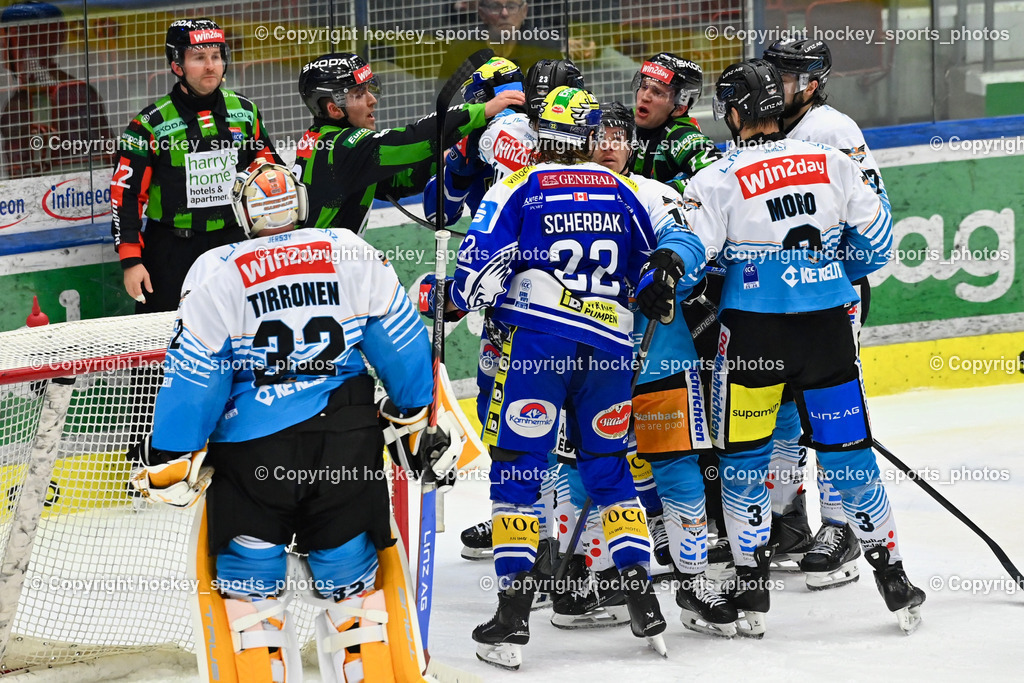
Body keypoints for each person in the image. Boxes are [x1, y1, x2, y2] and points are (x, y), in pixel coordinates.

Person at [127, 161, 461, 682]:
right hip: (345, 441)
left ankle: (262, 660)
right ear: (299, 203)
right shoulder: (349, 249)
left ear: (243, 214)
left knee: (251, 587)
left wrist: (173, 452)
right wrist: (416, 414)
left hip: (253, 451)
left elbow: (197, 374)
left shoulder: (216, 268)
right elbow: (400, 342)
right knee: (350, 580)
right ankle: (364, 663)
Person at [437, 85, 707, 669]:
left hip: (536, 348)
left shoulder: (516, 186)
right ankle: (641, 599)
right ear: (586, 135)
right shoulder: (621, 190)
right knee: (610, 470)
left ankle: (512, 615)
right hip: (609, 349)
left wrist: (452, 297)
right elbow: (654, 264)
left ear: (541, 133)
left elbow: (474, 279)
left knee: (519, 471)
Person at [680, 58, 925, 636]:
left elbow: (688, 257)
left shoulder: (716, 177)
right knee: (850, 457)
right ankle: (894, 580)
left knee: (744, 462)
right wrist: (826, 274)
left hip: (753, 338)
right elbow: (877, 243)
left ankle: (751, 591)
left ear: (734, 113)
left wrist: (713, 279)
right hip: (827, 334)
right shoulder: (833, 162)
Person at [422, 57, 585, 563]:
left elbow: (448, 207)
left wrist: (469, 142)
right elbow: (440, 206)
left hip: (537, 304)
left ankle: (544, 531)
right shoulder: (501, 137)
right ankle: (520, 518)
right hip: (521, 302)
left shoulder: (505, 132)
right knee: (504, 413)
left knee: (537, 422)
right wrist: (461, 157)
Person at [586, 100, 737, 637]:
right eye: (599, 136)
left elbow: (691, 244)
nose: (610, 146)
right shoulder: (552, 194)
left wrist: (667, 271)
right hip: (587, 359)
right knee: (588, 472)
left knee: (677, 466)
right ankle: (594, 578)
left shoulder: (653, 193)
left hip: (661, 356)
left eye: (619, 137)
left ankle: (694, 582)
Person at [762, 37, 884, 589]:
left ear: (811, 84)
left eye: (785, 76)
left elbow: (874, 218)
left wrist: (828, 277)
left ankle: (842, 527)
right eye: (770, 72)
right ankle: (788, 520)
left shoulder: (832, 130)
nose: (773, 84)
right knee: (780, 410)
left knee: (830, 412)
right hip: (776, 303)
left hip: (829, 299)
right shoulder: (765, 128)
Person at [111, 18, 281, 313]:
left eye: (216, 56)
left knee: (242, 325)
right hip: (171, 252)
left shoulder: (245, 112)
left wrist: (276, 233)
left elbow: (269, 171)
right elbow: (125, 194)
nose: (211, 66)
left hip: (235, 244)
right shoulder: (150, 124)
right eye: (199, 58)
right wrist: (131, 260)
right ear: (177, 65)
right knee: (164, 331)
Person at [293, 51, 524, 234]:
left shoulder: (320, 142)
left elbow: (398, 181)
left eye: (370, 89)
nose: (372, 100)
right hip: (320, 263)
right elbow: (411, 139)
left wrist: (452, 157)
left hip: (319, 258)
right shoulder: (342, 146)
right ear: (334, 109)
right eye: (360, 93)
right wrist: (482, 110)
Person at [0, 1, 113, 178]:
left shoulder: (73, 93)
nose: (2, 48)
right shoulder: (17, 100)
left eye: (9, 36)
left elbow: (100, 154)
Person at [630, 52, 720, 195]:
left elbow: (718, 176)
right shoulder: (626, 120)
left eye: (657, 92)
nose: (645, 96)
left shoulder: (681, 134)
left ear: (680, 108)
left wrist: (663, 191)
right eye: (644, 86)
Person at [437, 0, 562, 85]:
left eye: (511, 6)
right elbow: (444, 104)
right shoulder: (462, 50)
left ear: (524, 11)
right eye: (495, 7)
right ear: (482, 13)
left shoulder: (545, 48)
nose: (504, 13)